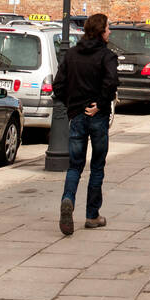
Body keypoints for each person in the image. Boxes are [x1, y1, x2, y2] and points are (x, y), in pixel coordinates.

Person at [53, 12, 118, 234]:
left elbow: (58, 86)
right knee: (97, 166)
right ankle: (92, 215)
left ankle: (68, 199)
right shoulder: (106, 56)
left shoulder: (71, 55)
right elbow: (111, 83)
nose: (110, 31)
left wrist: (72, 107)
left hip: (77, 116)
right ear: (101, 32)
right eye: (108, 28)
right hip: (97, 116)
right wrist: (99, 104)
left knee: (75, 166)